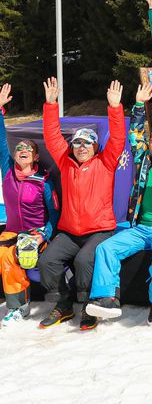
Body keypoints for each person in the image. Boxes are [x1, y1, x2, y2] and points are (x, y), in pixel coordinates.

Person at [85, 75, 152, 323]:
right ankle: (106, 298)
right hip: (140, 228)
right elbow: (134, 135)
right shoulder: (143, 160)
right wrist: (138, 106)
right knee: (105, 248)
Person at [37, 78, 124, 331]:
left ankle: (88, 306)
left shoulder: (105, 162)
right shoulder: (65, 162)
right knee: (47, 260)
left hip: (99, 230)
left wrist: (115, 108)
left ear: (95, 146)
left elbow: (118, 138)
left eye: (87, 143)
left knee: (85, 260)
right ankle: (63, 303)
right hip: (69, 232)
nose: (81, 147)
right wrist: (50, 105)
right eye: (77, 142)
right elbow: (52, 136)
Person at [0, 84, 59, 326]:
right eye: (19, 148)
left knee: (16, 256)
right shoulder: (8, 170)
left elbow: (54, 216)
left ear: (35, 157)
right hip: (11, 231)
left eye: (28, 149)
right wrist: (0, 110)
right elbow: (1, 139)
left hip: (35, 233)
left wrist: (43, 235)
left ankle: (27, 305)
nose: (22, 150)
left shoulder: (43, 181)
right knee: (3, 253)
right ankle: (16, 303)